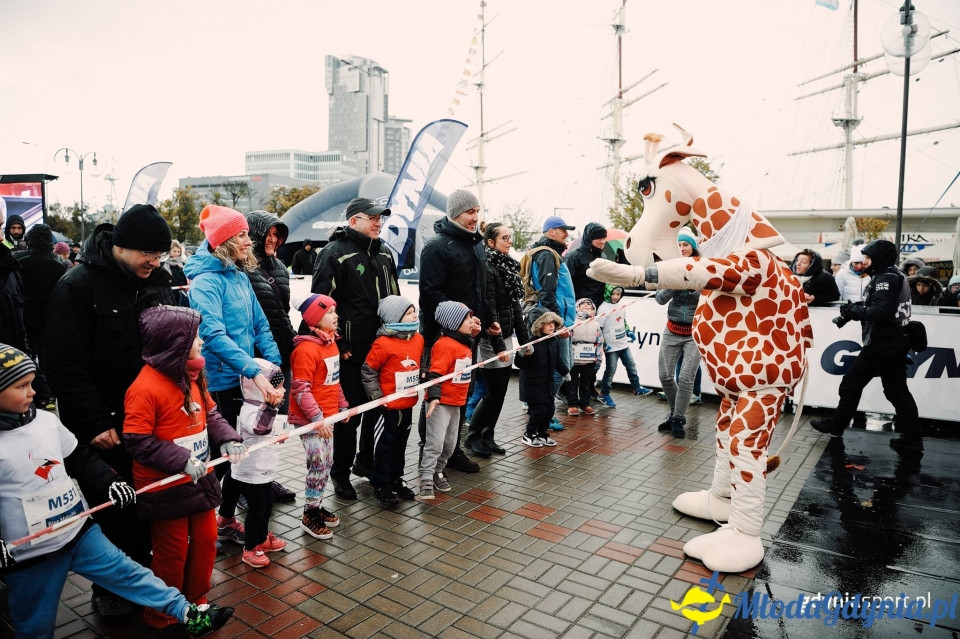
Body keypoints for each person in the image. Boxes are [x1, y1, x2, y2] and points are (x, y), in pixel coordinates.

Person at [0, 344, 234, 639]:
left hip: (79, 532)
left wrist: (111, 481)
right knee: (35, 623)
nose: (33, 392)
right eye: (21, 386)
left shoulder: (46, 422)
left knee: (131, 574)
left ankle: (186, 613)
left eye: (32, 383)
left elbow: (80, 458)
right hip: (31, 555)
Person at [46, 204, 178, 625]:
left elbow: (173, 345)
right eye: (148, 254)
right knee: (115, 506)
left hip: (154, 417)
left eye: (160, 255)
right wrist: (93, 423)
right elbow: (65, 364)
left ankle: (143, 574)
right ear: (122, 245)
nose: (155, 262)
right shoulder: (77, 285)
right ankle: (111, 588)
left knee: (150, 498)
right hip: (107, 423)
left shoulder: (160, 281)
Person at [122, 306, 248, 629]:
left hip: (200, 479)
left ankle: (197, 602)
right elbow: (137, 441)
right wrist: (180, 460)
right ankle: (164, 612)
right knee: (172, 552)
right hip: (165, 487)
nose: (202, 342)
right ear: (174, 343)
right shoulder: (144, 388)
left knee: (207, 541)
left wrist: (227, 439)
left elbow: (212, 416)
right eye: (195, 338)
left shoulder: (194, 377)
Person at [183, 204, 283, 548]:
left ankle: (225, 520)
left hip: (249, 381)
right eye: (241, 235)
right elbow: (212, 334)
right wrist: (254, 370)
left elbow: (260, 325)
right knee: (231, 459)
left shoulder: (239, 276)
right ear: (223, 240)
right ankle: (213, 526)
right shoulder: (205, 283)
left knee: (244, 455)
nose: (249, 241)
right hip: (223, 384)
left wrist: (274, 368)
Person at [311, 197, 400, 498]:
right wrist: (341, 342)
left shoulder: (386, 253)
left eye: (381, 218)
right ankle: (340, 474)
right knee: (349, 416)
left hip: (383, 349)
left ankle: (367, 464)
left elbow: (396, 300)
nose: (378, 222)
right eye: (372, 217)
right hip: (350, 351)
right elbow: (319, 305)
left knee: (378, 409)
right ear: (353, 221)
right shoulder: (334, 253)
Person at [811, 239, 923, 453]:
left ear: (880, 258)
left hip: (884, 343)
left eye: (869, 258)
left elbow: (881, 312)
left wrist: (853, 311)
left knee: (852, 383)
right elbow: (880, 306)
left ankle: (837, 425)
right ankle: (913, 437)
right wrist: (855, 308)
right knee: (896, 391)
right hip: (893, 341)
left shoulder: (887, 278)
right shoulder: (891, 275)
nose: (865, 263)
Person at [418, 190, 497, 474]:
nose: (475, 218)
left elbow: (481, 288)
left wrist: (487, 320)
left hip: (470, 336)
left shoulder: (476, 245)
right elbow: (430, 295)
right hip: (441, 338)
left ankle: (452, 451)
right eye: (469, 212)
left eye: (477, 211)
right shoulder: (437, 246)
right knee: (437, 394)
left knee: (461, 391)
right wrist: (460, 320)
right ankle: (429, 449)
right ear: (454, 214)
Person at [464, 222, 531, 457]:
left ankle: (487, 435)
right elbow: (489, 307)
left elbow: (515, 308)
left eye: (510, 237)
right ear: (490, 242)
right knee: (492, 392)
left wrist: (525, 341)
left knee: (500, 393)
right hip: (492, 340)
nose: (509, 241)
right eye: (504, 237)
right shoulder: (487, 268)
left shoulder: (508, 267)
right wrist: (500, 346)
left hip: (505, 338)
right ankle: (473, 437)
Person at [245, 210, 297, 503]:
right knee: (250, 426)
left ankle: (266, 479)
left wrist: (293, 344)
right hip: (253, 360)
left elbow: (283, 311)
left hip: (279, 356)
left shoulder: (279, 266)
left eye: (279, 235)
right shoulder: (242, 267)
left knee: (274, 425)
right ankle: (243, 486)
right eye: (270, 233)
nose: (274, 240)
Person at [289, 294, 343, 539]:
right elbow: (300, 389)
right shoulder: (305, 349)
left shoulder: (331, 343)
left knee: (327, 464)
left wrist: (342, 405)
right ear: (316, 319)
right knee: (317, 464)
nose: (336, 316)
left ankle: (317, 505)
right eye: (330, 312)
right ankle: (309, 514)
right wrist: (317, 418)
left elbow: (334, 380)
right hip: (311, 421)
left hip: (327, 418)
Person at [361, 296, 424, 506]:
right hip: (387, 408)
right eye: (409, 312)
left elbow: (420, 363)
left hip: (407, 404)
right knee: (384, 446)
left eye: (414, 311)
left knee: (400, 444)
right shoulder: (383, 344)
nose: (415, 315)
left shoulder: (418, 339)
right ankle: (380, 484)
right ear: (394, 317)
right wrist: (378, 397)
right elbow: (368, 370)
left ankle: (396, 479)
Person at [416, 301, 481, 501]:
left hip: (457, 402)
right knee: (435, 442)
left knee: (451, 444)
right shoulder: (444, 344)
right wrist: (434, 397)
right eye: (468, 318)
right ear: (454, 323)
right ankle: (426, 476)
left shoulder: (464, 341)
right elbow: (435, 373)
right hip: (440, 402)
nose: (472, 322)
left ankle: (438, 470)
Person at [520, 215, 580, 427]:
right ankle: (543, 413)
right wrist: (558, 325)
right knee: (560, 369)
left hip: (551, 318)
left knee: (556, 367)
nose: (567, 234)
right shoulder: (547, 254)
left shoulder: (548, 253)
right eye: (563, 230)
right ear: (551, 232)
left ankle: (541, 410)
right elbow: (548, 293)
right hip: (553, 320)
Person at [231, 358, 288, 567]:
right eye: (276, 389)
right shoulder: (248, 409)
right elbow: (259, 428)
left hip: (265, 468)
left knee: (267, 505)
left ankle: (263, 539)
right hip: (250, 471)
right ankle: (250, 547)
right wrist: (271, 408)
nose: (281, 394)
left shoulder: (268, 406)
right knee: (256, 509)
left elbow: (271, 430)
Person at [654, 229, 704, 439]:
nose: (682, 248)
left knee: (685, 378)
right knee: (665, 376)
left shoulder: (703, 266)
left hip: (695, 332)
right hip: (672, 329)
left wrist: (694, 287)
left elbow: (711, 293)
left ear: (692, 246)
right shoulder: (669, 266)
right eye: (679, 245)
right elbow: (659, 298)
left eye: (686, 245)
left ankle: (676, 418)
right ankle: (675, 415)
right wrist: (675, 285)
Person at [13, 224, 66, 368]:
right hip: (49, 318)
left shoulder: (17, 259)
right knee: (47, 360)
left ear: (30, 239)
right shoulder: (61, 263)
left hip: (24, 317)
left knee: (23, 361)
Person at [515, 312, 568, 448]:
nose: (552, 327)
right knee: (539, 411)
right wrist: (522, 354)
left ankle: (541, 434)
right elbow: (521, 364)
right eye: (548, 324)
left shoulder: (553, 341)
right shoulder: (533, 343)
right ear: (540, 325)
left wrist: (565, 372)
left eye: (554, 324)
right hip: (533, 385)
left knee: (550, 410)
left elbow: (557, 360)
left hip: (547, 384)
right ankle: (529, 434)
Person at [597, 285, 645, 407]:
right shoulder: (603, 308)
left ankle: (636, 387)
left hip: (623, 343)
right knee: (611, 370)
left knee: (631, 366)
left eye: (618, 295)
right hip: (611, 347)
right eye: (613, 294)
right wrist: (603, 343)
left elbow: (622, 321)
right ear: (608, 293)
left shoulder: (620, 306)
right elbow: (599, 328)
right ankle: (604, 393)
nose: (615, 297)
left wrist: (628, 331)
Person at [563, 222, 608, 308]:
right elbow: (566, 284)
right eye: (599, 238)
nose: (602, 242)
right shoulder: (573, 257)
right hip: (580, 308)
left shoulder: (603, 256)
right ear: (589, 238)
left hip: (600, 307)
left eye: (604, 238)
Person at [164, 239, 190, 306]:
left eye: (178, 251)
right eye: (174, 251)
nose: (177, 253)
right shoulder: (164, 264)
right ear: (169, 251)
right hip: (169, 294)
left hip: (182, 293)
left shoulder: (182, 264)